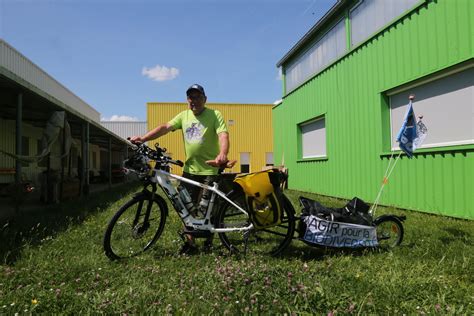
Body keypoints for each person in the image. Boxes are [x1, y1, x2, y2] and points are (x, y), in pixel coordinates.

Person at [130, 84, 229, 254]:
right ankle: (190, 244)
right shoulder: (184, 116)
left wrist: (223, 153)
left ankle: (208, 240)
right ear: (187, 100)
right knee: (184, 207)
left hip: (210, 170)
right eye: (191, 97)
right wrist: (143, 138)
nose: (194, 101)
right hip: (190, 170)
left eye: (198, 97)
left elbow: (223, 135)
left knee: (208, 209)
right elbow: (165, 128)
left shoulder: (214, 115)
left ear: (205, 99)